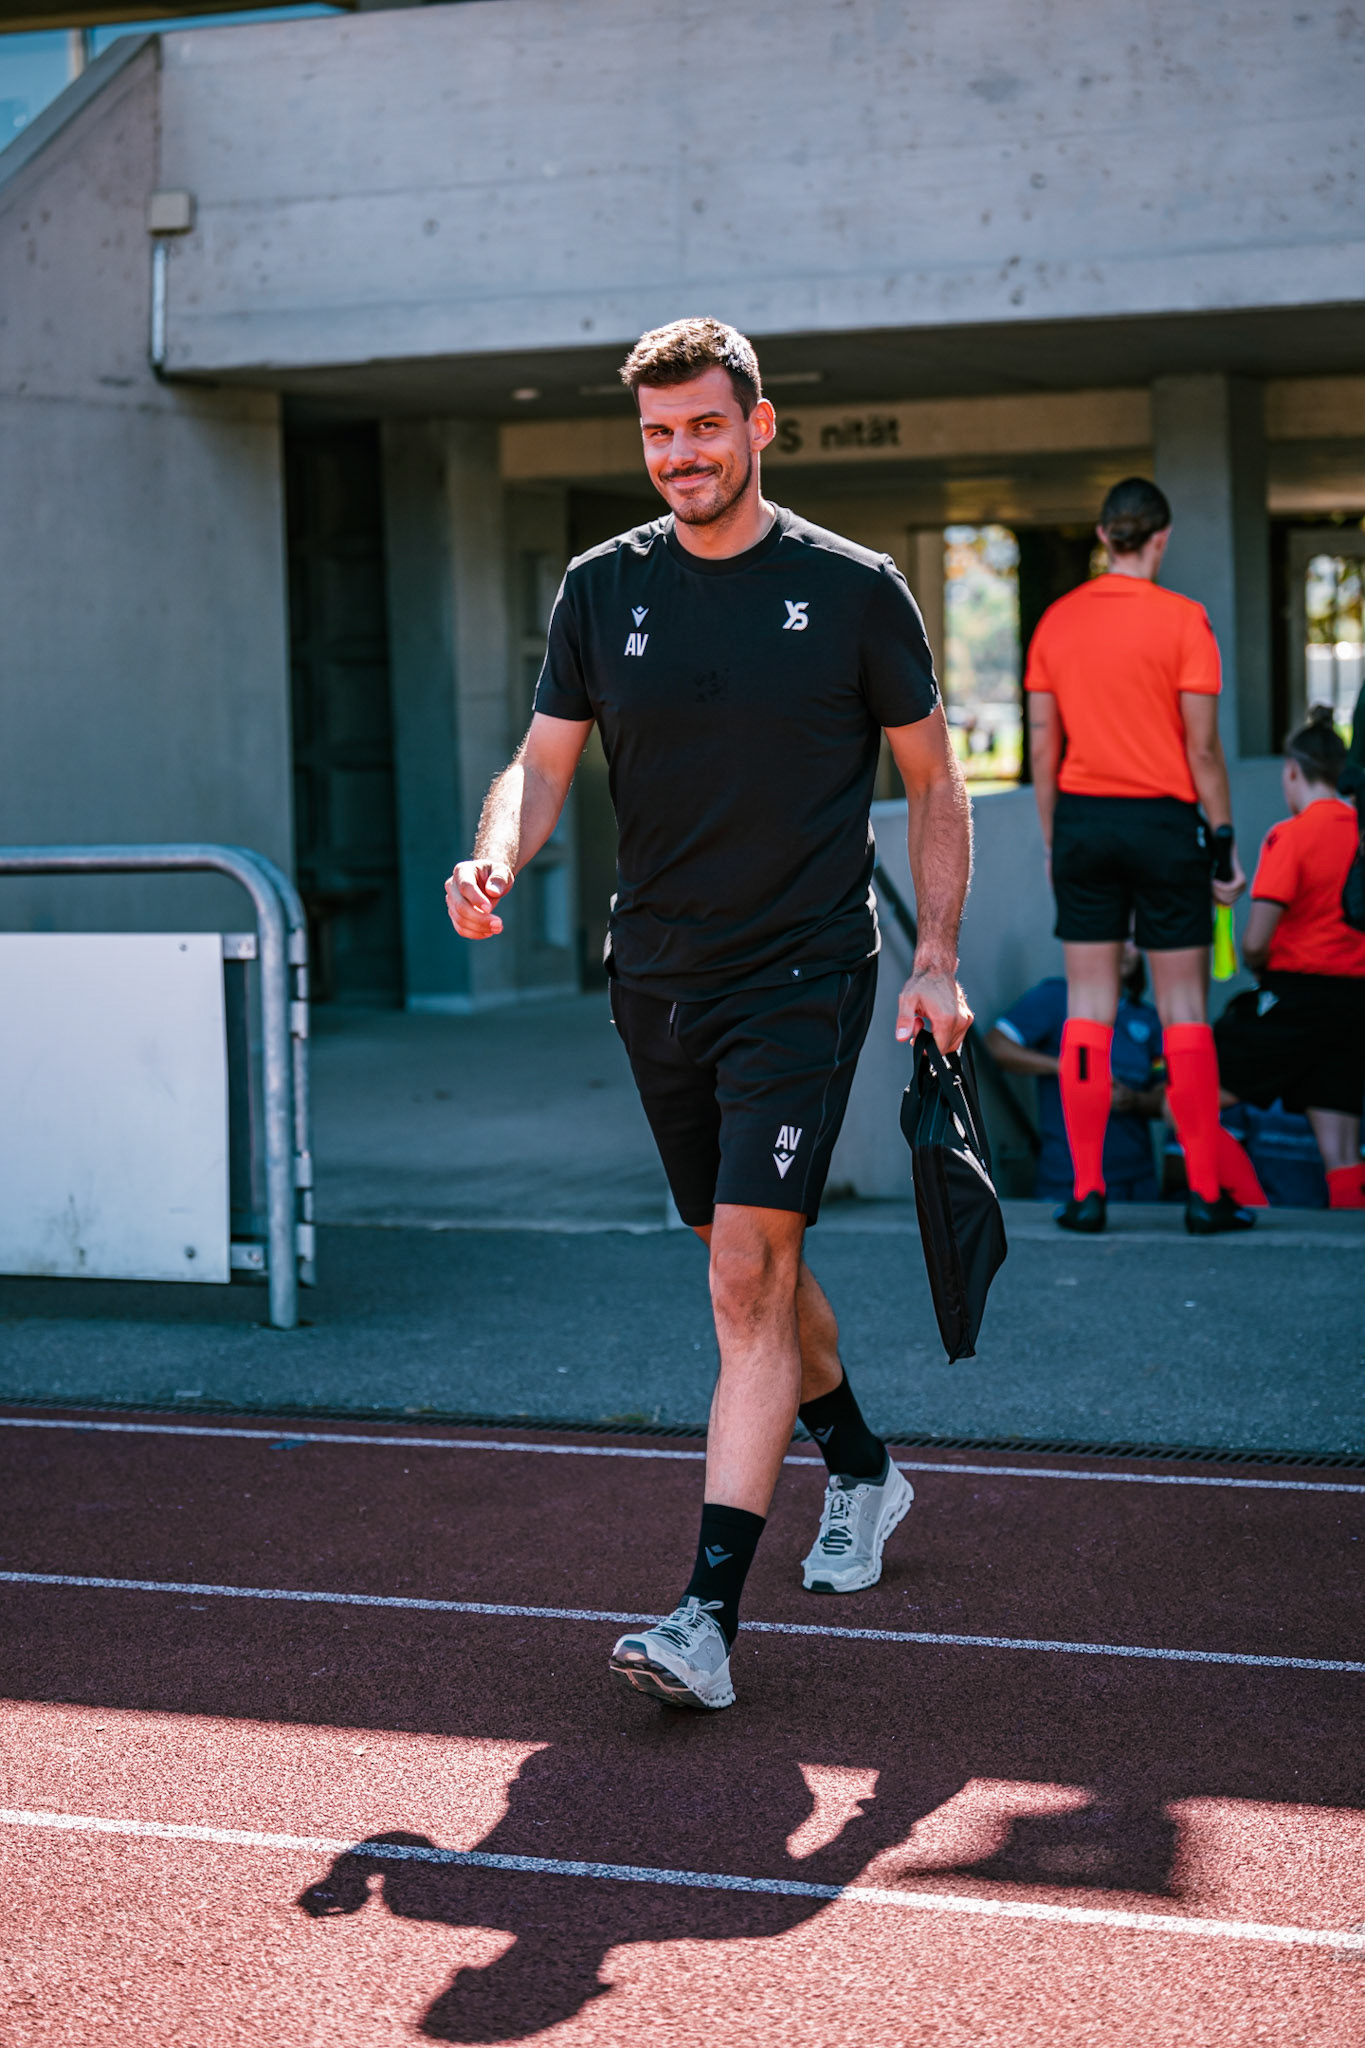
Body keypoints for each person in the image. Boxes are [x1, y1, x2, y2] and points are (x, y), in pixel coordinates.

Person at [445, 318, 972, 1712]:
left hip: (803, 972)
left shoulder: (854, 591)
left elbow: (933, 783)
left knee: (744, 1271)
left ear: (760, 428)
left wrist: (936, 957)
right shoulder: (599, 589)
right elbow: (541, 763)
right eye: (658, 434)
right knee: (749, 1264)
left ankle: (704, 1619)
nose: (680, 454)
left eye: (702, 428)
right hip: (657, 978)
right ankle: (860, 1462)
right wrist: (499, 849)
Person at [1024, 475, 1261, 1237]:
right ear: (1158, 538)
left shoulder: (1056, 622)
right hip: (1163, 826)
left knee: (1086, 1009)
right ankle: (1202, 1194)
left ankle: (1086, 1192)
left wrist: (1053, 835)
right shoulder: (1184, 621)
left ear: (1102, 538)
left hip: (1084, 825)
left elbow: (1040, 743)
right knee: (1183, 1010)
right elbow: (1201, 747)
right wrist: (1221, 837)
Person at [1214, 707, 1365, 1208]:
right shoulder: (1359, 832)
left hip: (1294, 998)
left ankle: (1255, 1210)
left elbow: (1257, 940)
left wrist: (1256, 963)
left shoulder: (1291, 835)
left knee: (1187, 1097)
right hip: (1354, 1004)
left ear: (1292, 771)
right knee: (1341, 1146)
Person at [985, 942, 1163, 1203]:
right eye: (1118, 934)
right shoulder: (1056, 998)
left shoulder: (1149, 1019)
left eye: (1134, 940)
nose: (1126, 948)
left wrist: (1135, 1101)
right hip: (1065, 1182)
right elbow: (994, 1046)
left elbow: (1169, 1097)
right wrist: (1066, 1067)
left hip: (1138, 1183)